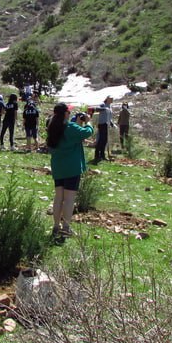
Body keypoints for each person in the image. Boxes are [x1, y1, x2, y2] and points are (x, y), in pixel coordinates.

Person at [47, 104, 94, 242]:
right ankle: (66, 228)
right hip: (72, 167)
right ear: (66, 113)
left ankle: (56, 226)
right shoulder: (70, 127)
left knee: (58, 197)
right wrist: (88, 121)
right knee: (69, 199)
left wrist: (78, 123)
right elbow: (87, 132)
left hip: (58, 167)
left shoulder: (52, 126)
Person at [94, 96, 114, 162]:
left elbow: (109, 117)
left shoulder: (110, 107)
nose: (112, 100)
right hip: (102, 124)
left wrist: (112, 123)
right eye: (111, 99)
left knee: (105, 140)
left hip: (107, 125)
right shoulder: (103, 104)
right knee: (101, 140)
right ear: (108, 99)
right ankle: (97, 155)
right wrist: (104, 108)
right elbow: (97, 109)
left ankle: (102, 155)